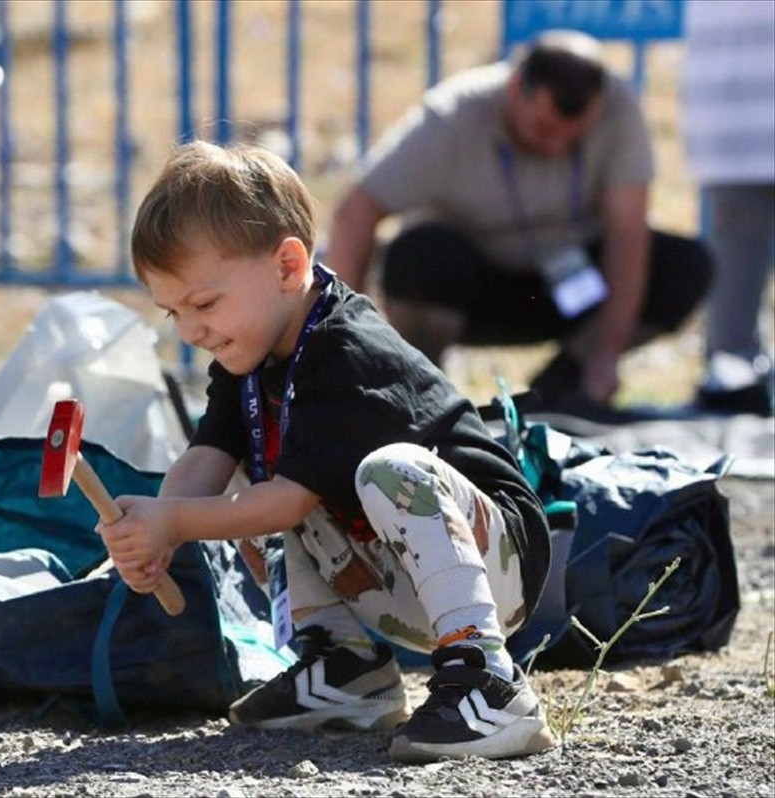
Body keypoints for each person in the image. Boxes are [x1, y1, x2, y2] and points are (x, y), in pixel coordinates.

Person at [100, 140, 556, 763]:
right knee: (248, 474)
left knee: (383, 473)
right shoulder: (249, 353)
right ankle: (346, 669)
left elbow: (285, 505)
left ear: (288, 265)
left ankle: (491, 683)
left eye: (203, 304)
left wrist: (176, 522)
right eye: (172, 313)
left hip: (492, 560)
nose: (190, 331)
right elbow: (209, 453)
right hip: (392, 573)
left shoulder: (347, 352)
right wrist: (156, 529)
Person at [326, 30, 712, 419]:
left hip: (570, 288)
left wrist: (606, 352)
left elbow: (628, 234)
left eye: (573, 137)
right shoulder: (455, 114)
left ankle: (566, 389)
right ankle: (413, 389)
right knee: (418, 257)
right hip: (472, 289)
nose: (556, 146)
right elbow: (355, 212)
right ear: (515, 89)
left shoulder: (617, 106)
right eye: (544, 129)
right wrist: (357, 346)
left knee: (682, 266)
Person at [682, 0, 775, 418]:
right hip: (736, 112)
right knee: (736, 254)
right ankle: (735, 374)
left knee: (735, 250)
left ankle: (734, 368)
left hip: (730, 109)